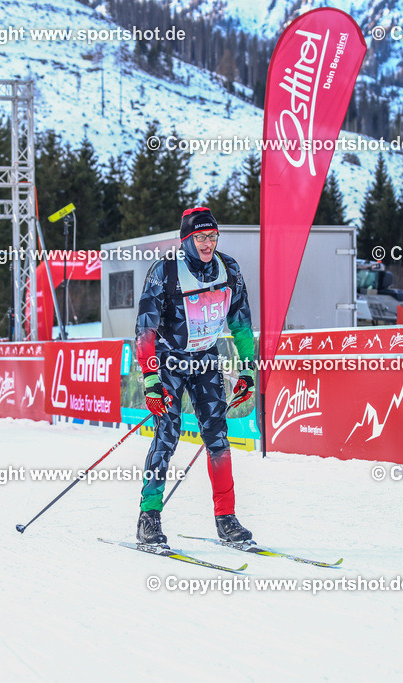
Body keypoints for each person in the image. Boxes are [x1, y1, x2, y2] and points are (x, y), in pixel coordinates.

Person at [134, 207, 256, 546]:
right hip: (168, 361)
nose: (207, 243)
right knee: (167, 436)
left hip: (205, 361)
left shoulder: (229, 269)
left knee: (218, 439)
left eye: (213, 236)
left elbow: (241, 323)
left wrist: (247, 369)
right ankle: (148, 516)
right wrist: (151, 379)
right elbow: (145, 329)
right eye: (200, 237)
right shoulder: (165, 270)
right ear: (186, 239)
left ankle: (226, 518)